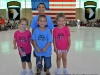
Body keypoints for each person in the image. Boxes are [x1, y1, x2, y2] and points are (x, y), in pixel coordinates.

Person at [30, 2, 54, 72]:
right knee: (39, 58)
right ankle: (39, 69)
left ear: (45, 8)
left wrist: (49, 42)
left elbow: (50, 30)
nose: (41, 8)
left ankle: (47, 69)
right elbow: (33, 30)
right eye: (39, 7)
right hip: (38, 42)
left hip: (46, 42)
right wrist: (34, 45)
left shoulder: (48, 18)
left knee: (47, 57)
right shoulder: (35, 18)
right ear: (37, 9)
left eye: (43, 7)